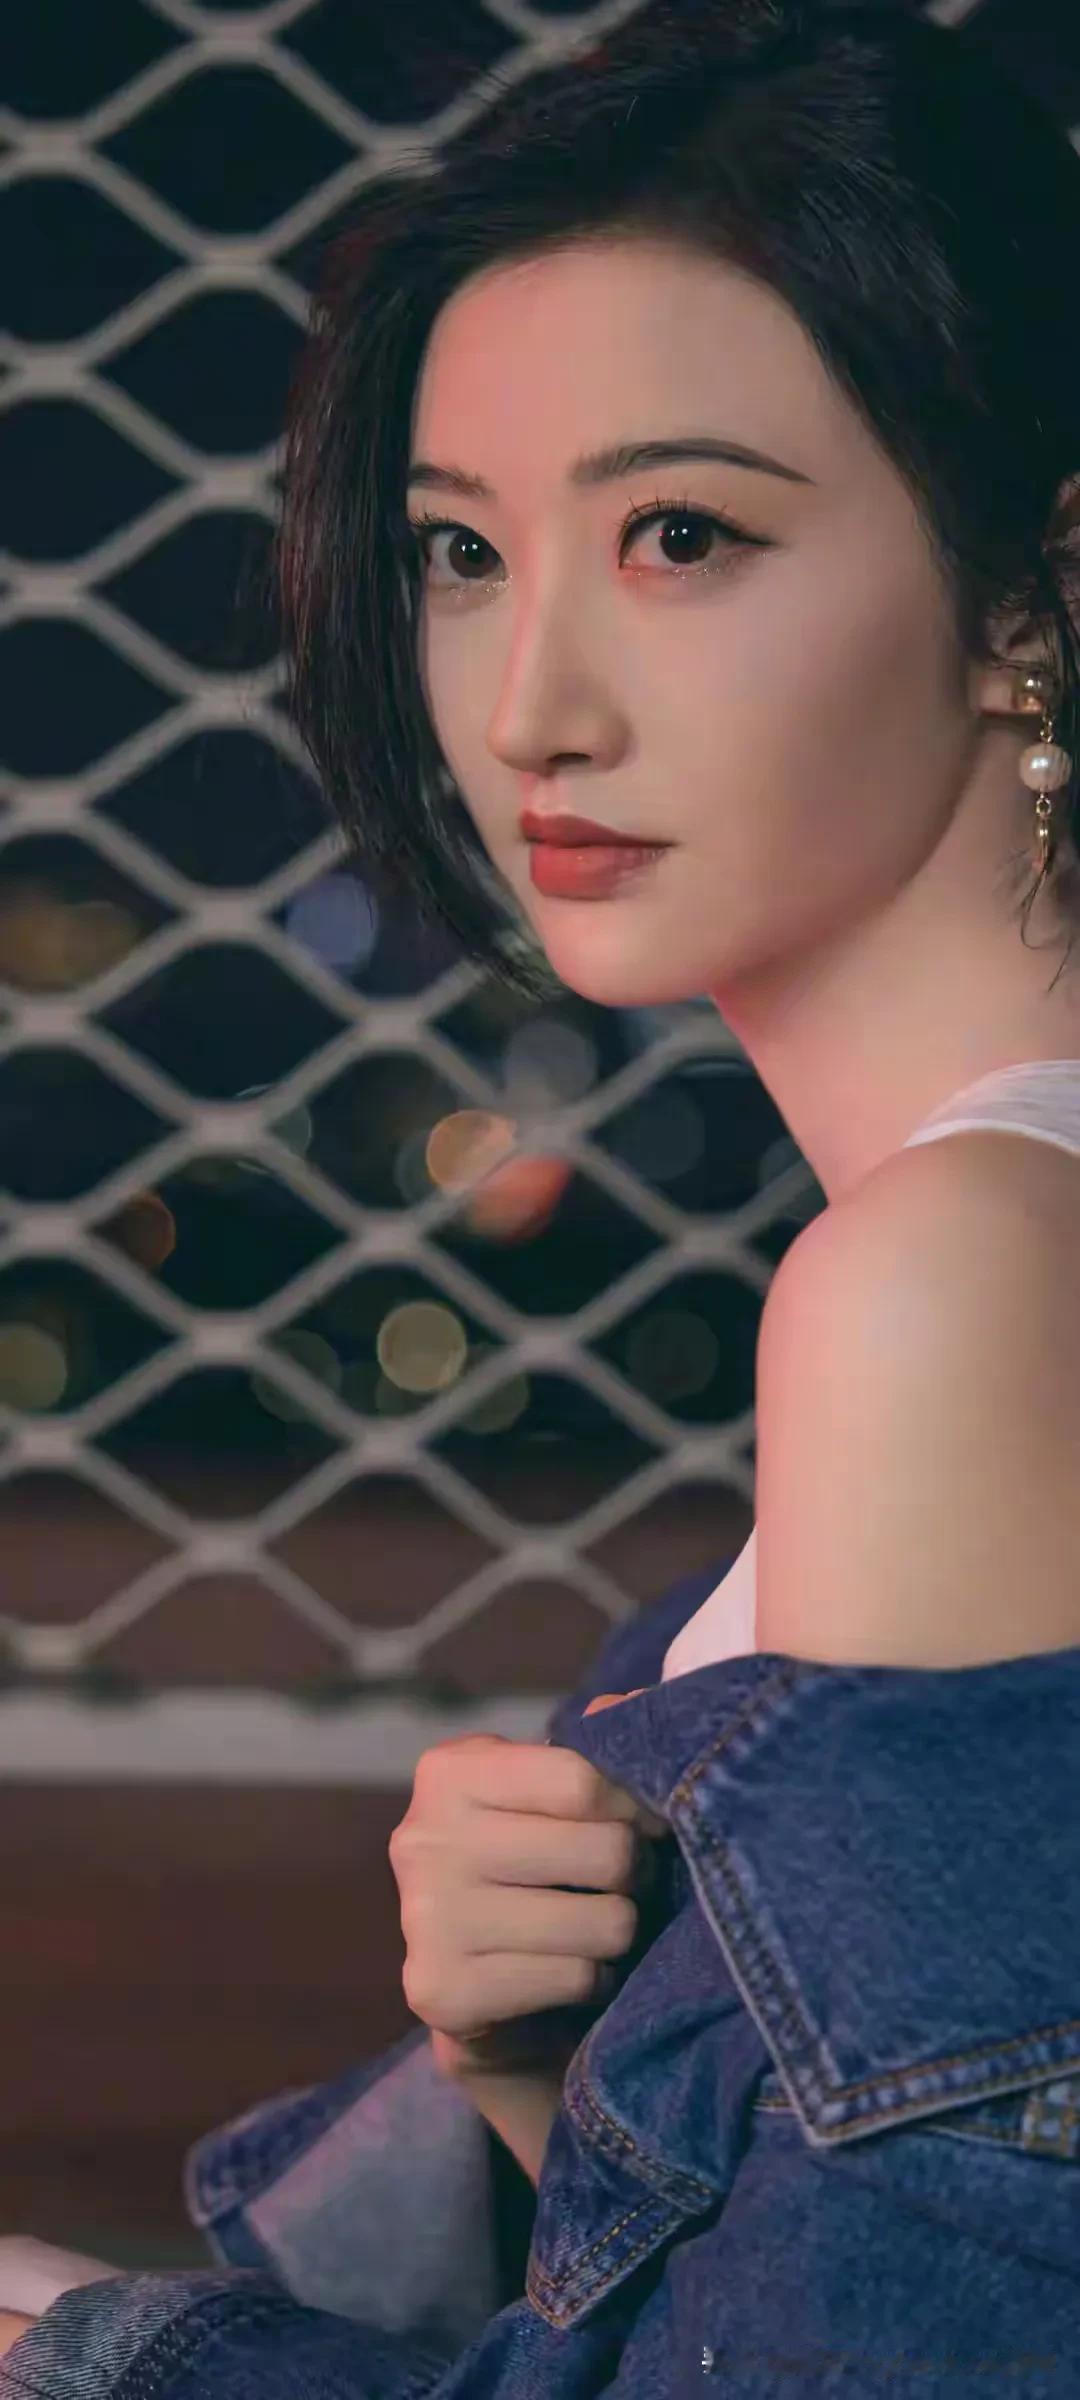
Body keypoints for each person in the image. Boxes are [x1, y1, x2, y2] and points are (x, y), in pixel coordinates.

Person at [5, 0, 1080, 2389]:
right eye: (463, 553)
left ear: (1033, 593)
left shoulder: (956, 1285)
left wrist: (90, 2362)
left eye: (682, 535)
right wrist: (552, 2078)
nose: (526, 707)